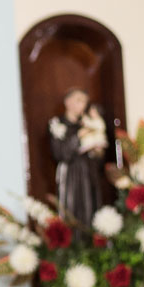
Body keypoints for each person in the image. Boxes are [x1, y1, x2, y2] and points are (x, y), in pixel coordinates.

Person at [49, 87, 105, 230]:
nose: (82, 105)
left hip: (89, 174)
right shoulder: (58, 124)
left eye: (84, 101)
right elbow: (60, 153)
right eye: (78, 100)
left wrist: (98, 153)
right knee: (71, 212)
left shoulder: (89, 122)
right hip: (70, 177)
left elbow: (99, 155)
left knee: (91, 210)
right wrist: (79, 136)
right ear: (67, 102)